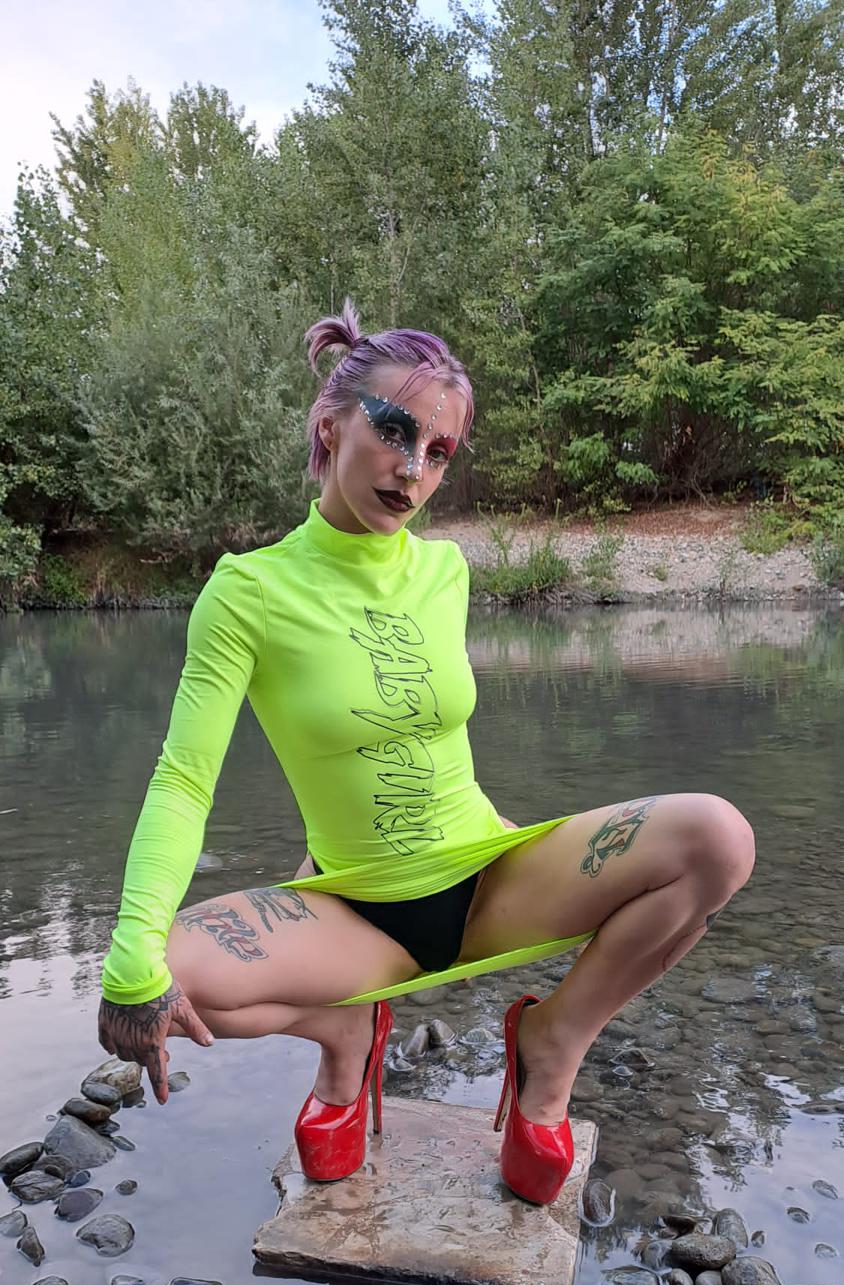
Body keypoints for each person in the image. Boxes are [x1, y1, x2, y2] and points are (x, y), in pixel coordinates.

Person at [98, 300, 756, 1205]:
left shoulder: (446, 573)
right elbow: (184, 779)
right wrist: (130, 963)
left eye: (439, 451)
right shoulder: (247, 592)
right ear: (330, 425)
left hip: (487, 880)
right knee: (155, 972)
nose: (413, 470)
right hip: (358, 914)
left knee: (718, 841)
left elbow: (428, 734)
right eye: (395, 431)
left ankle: (551, 1048)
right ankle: (347, 1037)